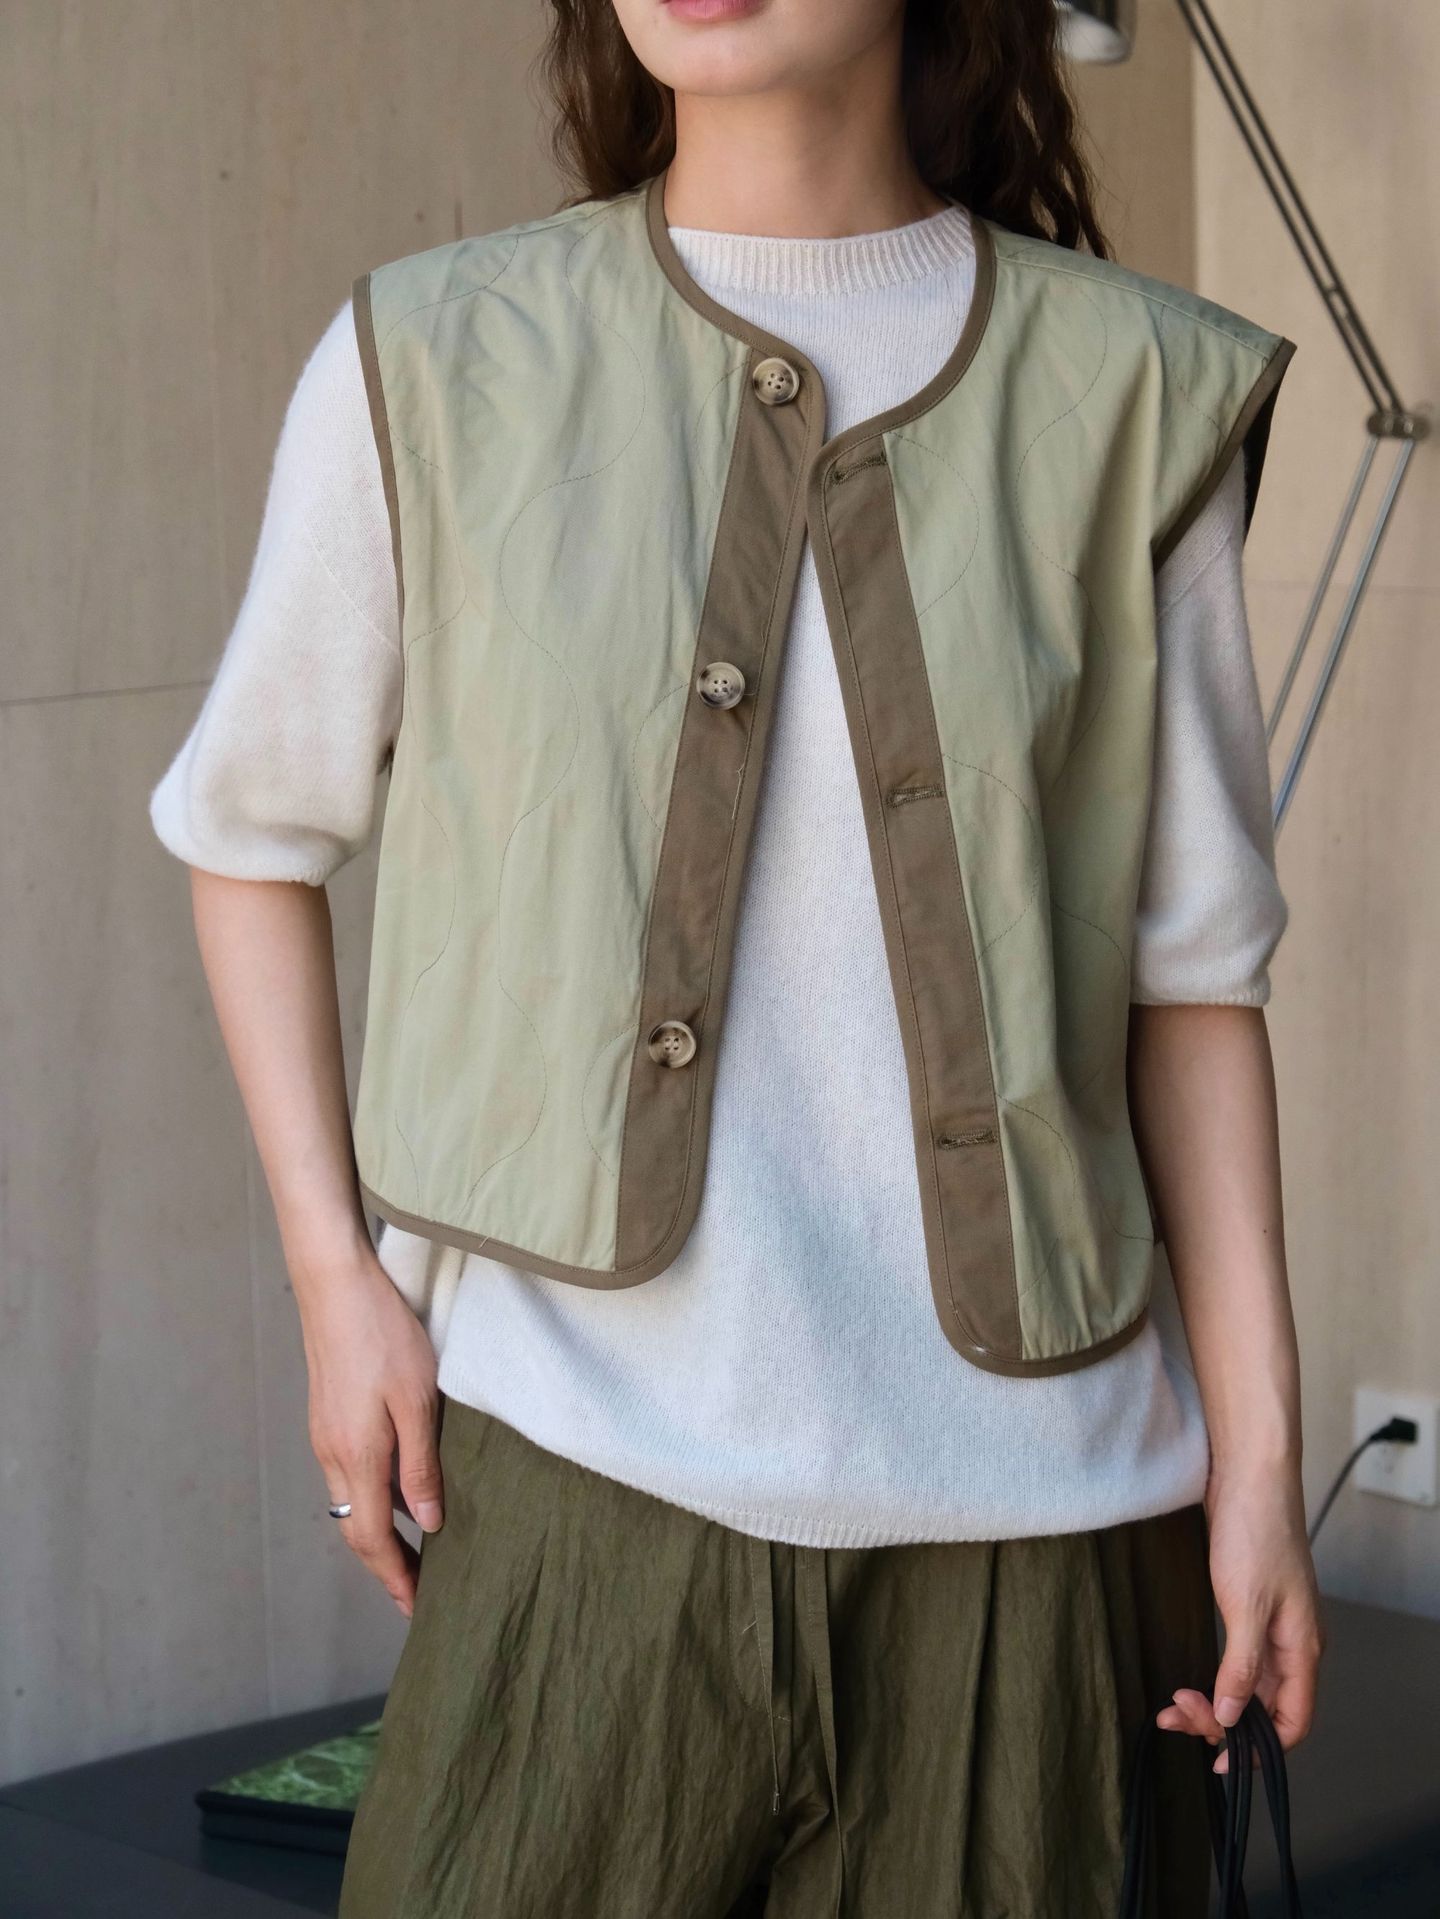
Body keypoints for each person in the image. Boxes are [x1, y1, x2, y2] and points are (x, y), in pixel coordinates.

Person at [150, 0, 1324, 1911]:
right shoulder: (436, 357)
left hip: (1035, 1545)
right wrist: (331, 1281)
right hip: (575, 1504)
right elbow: (245, 835)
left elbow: (1192, 982)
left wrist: (1259, 1467)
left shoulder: (1132, 391)